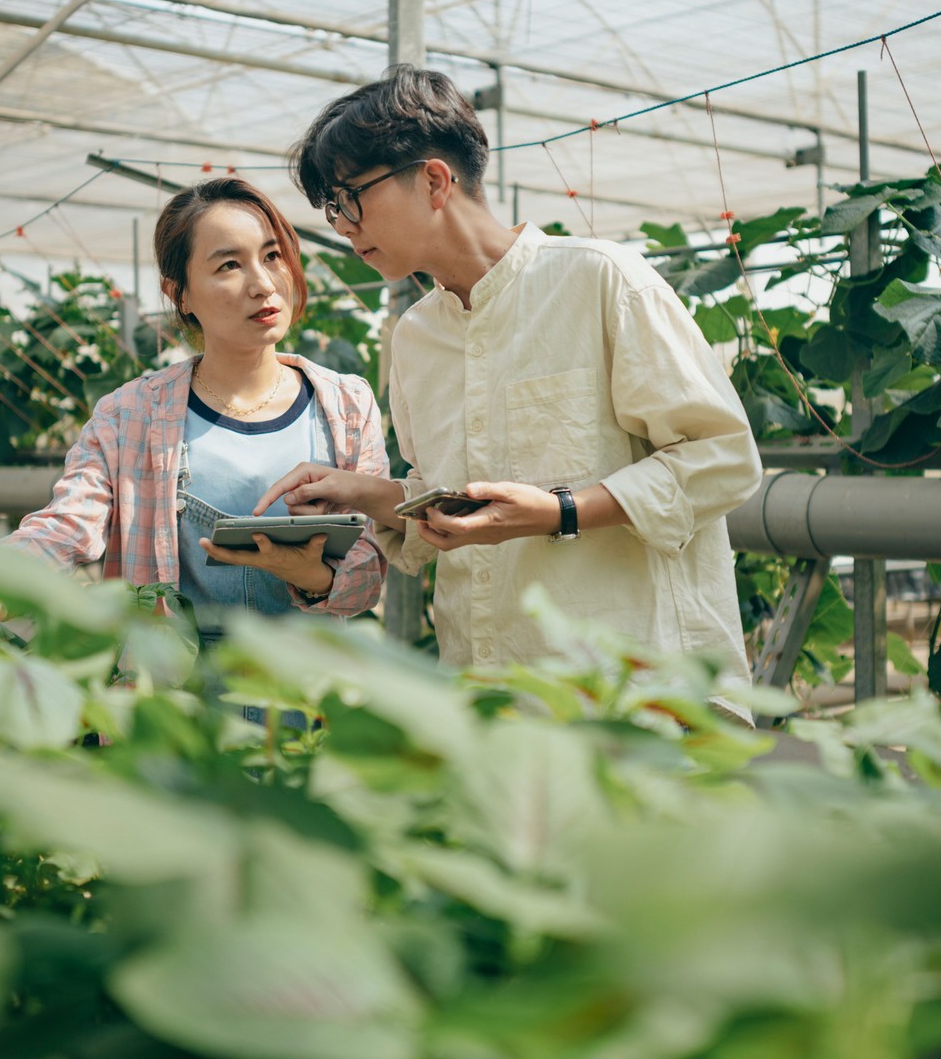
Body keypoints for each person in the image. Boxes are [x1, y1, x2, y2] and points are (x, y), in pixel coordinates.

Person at [257, 67, 764, 697]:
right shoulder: (416, 337)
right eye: (332, 205)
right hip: (490, 691)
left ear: (435, 180)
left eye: (351, 196)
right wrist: (365, 494)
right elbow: (454, 507)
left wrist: (560, 512)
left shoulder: (600, 281)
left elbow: (722, 457)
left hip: (633, 695)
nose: (341, 224)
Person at [0, 177, 389, 644]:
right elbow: (66, 524)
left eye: (272, 256)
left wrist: (312, 574)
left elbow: (367, 578)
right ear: (181, 295)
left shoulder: (347, 406)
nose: (263, 283)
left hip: (305, 699)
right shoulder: (129, 416)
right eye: (229, 264)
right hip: (171, 701)